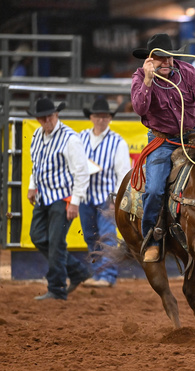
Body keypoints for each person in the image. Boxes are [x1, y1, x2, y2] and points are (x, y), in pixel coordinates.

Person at [131, 33, 195, 263]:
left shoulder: (187, 72)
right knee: (154, 190)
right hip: (163, 141)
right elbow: (140, 108)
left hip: (193, 134)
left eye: (169, 57)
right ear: (150, 60)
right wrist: (148, 81)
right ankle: (151, 240)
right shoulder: (140, 78)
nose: (167, 62)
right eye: (160, 58)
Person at [27, 97, 91, 300]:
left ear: (56, 115)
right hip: (44, 196)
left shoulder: (70, 139)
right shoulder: (37, 135)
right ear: (38, 119)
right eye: (42, 118)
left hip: (63, 198)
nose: (47, 121)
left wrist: (75, 201)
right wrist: (32, 186)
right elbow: (36, 164)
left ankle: (56, 288)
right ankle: (77, 271)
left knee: (56, 243)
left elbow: (81, 172)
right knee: (37, 236)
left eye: (50, 116)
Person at [79, 98, 131, 287]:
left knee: (107, 235)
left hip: (105, 197)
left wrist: (115, 198)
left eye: (105, 116)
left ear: (110, 118)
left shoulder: (118, 142)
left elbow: (123, 172)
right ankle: (98, 273)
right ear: (91, 117)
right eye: (98, 116)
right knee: (90, 236)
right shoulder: (81, 137)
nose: (102, 119)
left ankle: (107, 275)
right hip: (85, 196)